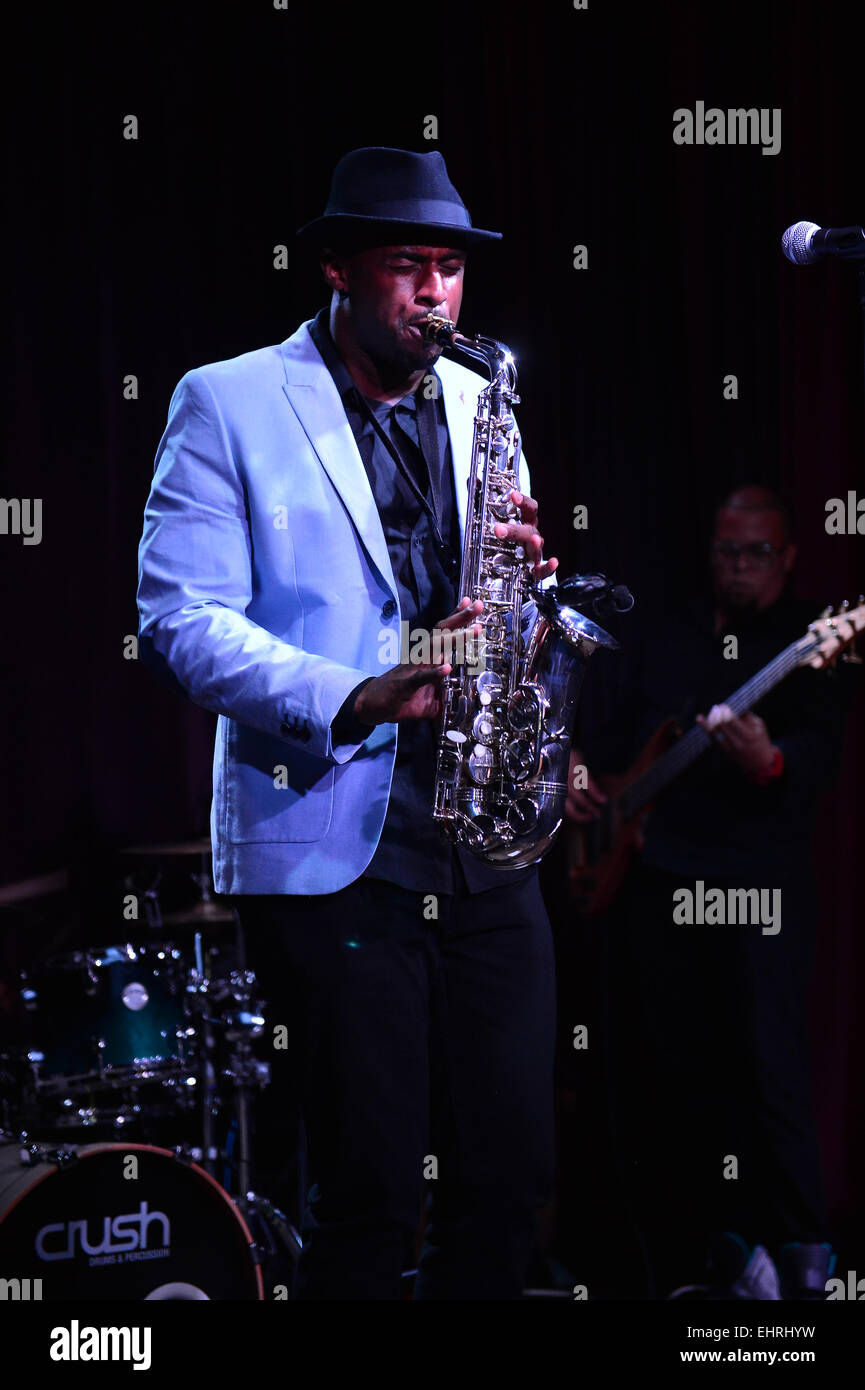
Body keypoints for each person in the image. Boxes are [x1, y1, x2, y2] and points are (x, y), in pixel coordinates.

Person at [137, 147, 561, 1299]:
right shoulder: (224, 399)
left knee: (514, 1179)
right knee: (369, 1191)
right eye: (408, 267)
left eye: (451, 270)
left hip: (480, 833)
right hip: (335, 836)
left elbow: (496, 613)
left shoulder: (481, 399)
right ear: (336, 268)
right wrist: (356, 690)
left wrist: (529, 595)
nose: (437, 294)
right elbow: (182, 617)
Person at [565, 485, 856, 1299]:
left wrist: (766, 759)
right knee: (667, 1076)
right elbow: (607, 726)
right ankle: (709, 1253)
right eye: (726, 549)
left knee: (767, 1071)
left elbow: (812, 766)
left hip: (755, 888)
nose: (737, 565)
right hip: (652, 880)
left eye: (756, 551)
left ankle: (803, 1256)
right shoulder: (667, 631)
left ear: (789, 555)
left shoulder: (808, 647)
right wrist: (579, 771)